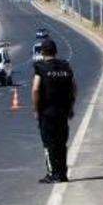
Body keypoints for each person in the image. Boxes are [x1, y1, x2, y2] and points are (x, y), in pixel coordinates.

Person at [31, 39, 76, 184]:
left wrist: (36, 109)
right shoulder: (65, 67)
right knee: (61, 143)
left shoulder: (40, 68)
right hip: (63, 112)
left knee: (49, 144)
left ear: (42, 52)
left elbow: (36, 89)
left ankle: (52, 174)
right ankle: (62, 174)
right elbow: (74, 87)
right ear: (55, 51)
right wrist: (71, 107)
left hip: (47, 112)